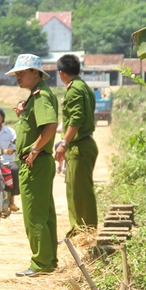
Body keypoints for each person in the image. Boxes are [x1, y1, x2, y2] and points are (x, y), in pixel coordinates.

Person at [6, 54, 59, 277]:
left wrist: (35, 150)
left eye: (21, 72)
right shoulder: (35, 97)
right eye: (16, 73)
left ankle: (41, 263)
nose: (18, 77)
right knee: (44, 213)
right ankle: (48, 260)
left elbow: (50, 126)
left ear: (35, 73)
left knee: (34, 215)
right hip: (38, 162)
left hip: (35, 162)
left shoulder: (40, 96)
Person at [54, 54, 99, 236]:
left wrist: (63, 143)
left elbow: (77, 119)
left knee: (78, 193)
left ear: (61, 73)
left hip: (79, 146)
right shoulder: (84, 87)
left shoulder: (73, 90)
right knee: (77, 189)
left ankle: (85, 232)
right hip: (84, 144)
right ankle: (80, 230)